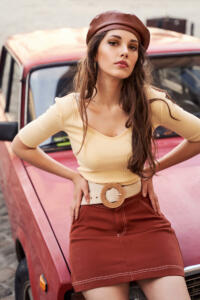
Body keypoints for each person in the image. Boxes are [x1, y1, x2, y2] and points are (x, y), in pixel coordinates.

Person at [11, 10, 200, 300]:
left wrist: (153, 168)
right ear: (95, 52)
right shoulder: (70, 108)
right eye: (114, 43)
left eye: (133, 46)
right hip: (92, 225)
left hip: (144, 218)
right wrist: (72, 175)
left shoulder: (151, 102)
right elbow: (21, 145)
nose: (125, 51)